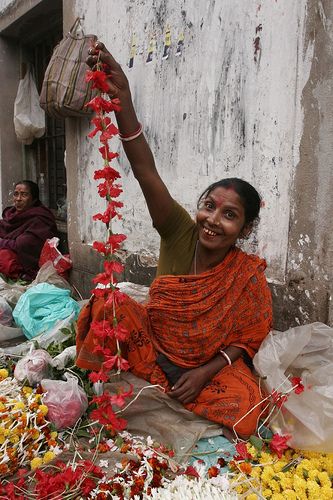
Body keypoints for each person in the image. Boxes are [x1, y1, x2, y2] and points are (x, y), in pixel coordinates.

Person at [76, 42, 273, 439]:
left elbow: (246, 340)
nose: (213, 221)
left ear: (245, 229)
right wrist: (124, 101)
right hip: (154, 350)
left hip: (203, 366)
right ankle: (140, 384)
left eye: (229, 215)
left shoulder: (246, 275)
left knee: (247, 410)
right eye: (209, 206)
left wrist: (202, 373)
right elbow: (145, 169)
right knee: (107, 306)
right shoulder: (178, 228)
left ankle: (169, 392)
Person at [0, 180, 58, 281]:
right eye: (16, 194)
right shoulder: (11, 214)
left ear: (33, 199)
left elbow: (23, 243)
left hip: (28, 262)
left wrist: (1, 242)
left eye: (24, 195)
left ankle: (20, 275)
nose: (18, 199)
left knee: (4, 258)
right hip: (12, 253)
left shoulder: (40, 218)